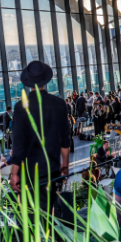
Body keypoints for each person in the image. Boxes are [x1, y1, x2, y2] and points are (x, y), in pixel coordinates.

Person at [10, 61, 71, 213]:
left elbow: (19, 146)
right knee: (53, 214)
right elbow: (65, 140)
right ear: (46, 80)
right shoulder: (59, 104)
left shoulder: (20, 108)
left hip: (30, 176)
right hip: (53, 171)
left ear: (28, 83)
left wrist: (14, 174)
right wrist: (65, 165)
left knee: (33, 219)